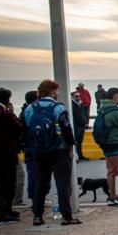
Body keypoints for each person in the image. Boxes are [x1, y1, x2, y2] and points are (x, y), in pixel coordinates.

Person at [22, 79, 81, 226]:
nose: (58, 93)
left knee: (40, 182)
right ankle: (66, 216)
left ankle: (37, 215)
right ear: (52, 92)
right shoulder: (58, 108)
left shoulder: (30, 108)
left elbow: (23, 129)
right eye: (56, 91)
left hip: (38, 150)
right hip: (58, 150)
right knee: (62, 183)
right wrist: (71, 148)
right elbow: (67, 130)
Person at [0, 88, 23, 225]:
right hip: (6, 153)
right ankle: (4, 212)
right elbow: (18, 127)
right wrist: (11, 112)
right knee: (8, 183)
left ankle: (4, 210)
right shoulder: (4, 113)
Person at [70, 91, 89, 161]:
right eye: (76, 96)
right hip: (76, 126)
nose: (78, 97)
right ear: (72, 97)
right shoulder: (71, 105)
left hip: (82, 126)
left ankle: (80, 155)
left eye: (79, 96)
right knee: (76, 141)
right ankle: (76, 157)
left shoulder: (81, 104)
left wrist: (86, 122)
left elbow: (84, 114)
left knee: (80, 142)